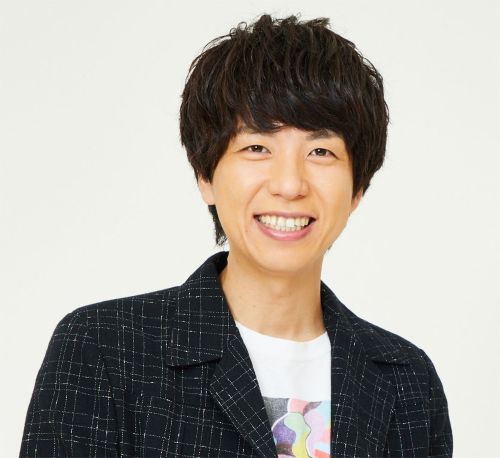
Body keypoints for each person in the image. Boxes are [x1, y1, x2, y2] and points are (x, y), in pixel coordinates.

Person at [20, 13, 453, 458]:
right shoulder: (105, 349)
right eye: (257, 148)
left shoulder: (406, 381)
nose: (290, 184)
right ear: (205, 175)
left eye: (321, 151)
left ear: (357, 189)